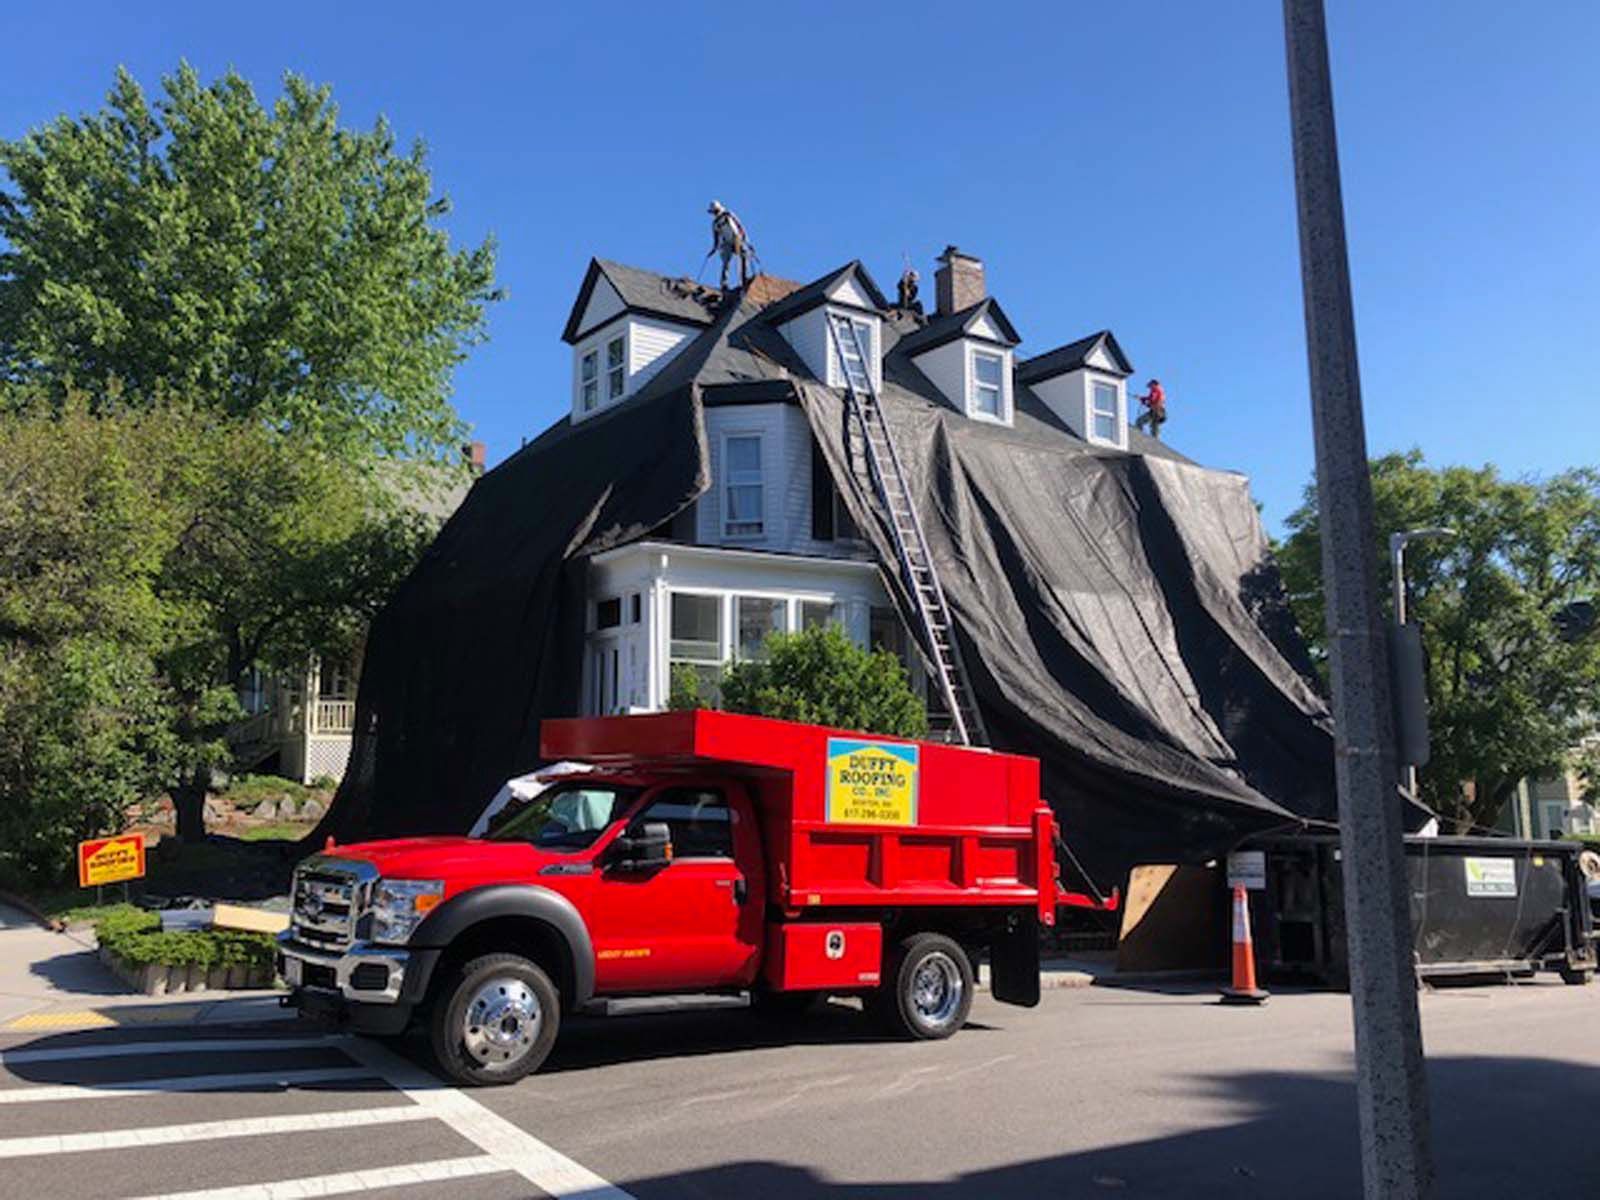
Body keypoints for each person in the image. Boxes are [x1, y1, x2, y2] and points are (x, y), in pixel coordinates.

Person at [707, 200, 752, 290]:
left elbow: (739, 226)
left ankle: (744, 278)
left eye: (715, 211)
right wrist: (714, 249)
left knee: (744, 255)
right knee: (726, 262)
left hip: (736, 239)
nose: (715, 214)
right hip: (726, 243)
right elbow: (716, 237)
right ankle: (724, 283)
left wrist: (746, 240)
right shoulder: (715, 223)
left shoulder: (728, 215)